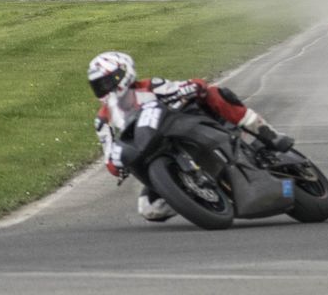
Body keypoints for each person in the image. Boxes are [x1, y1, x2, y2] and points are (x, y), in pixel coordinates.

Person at [89, 51, 293, 222]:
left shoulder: (150, 86)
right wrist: (117, 164)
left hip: (184, 126)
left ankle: (268, 134)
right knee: (149, 209)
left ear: (125, 73)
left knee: (215, 92)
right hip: (153, 152)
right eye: (99, 85)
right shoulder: (103, 120)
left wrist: (189, 88)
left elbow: (188, 85)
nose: (105, 88)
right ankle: (192, 196)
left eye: (109, 81)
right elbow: (109, 154)